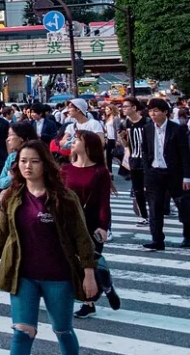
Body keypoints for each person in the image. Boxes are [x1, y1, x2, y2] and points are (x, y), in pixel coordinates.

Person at [0, 141, 98, 355]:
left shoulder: (64, 198)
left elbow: (82, 238)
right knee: (22, 332)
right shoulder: (12, 196)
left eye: (34, 162)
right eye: (23, 161)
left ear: (45, 165)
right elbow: (4, 233)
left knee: (63, 330)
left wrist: (89, 273)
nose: (27, 166)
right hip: (22, 274)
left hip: (58, 276)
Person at [62, 130, 121, 319]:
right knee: (74, 263)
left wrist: (104, 226)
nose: (73, 142)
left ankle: (98, 293)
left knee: (90, 261)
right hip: (70, 222)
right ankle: (99, 289)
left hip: (92, 222)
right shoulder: (65, 169)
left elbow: (104, 202)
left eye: (77, 139)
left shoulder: (100, 172)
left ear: (88, 145)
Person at [142, 98, 190, 250]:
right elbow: (145, 151)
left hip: (175, 173)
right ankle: (157, 239)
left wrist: (187, 176)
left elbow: (185, 154)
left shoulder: (177, 129)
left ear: (165, 112)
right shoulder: (148, 128)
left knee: (183, 205)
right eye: (151, 111)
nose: (152, 114)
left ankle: (188, 235)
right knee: (154, 207)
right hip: (154, 172)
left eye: (156, 111)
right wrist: (147, 171)